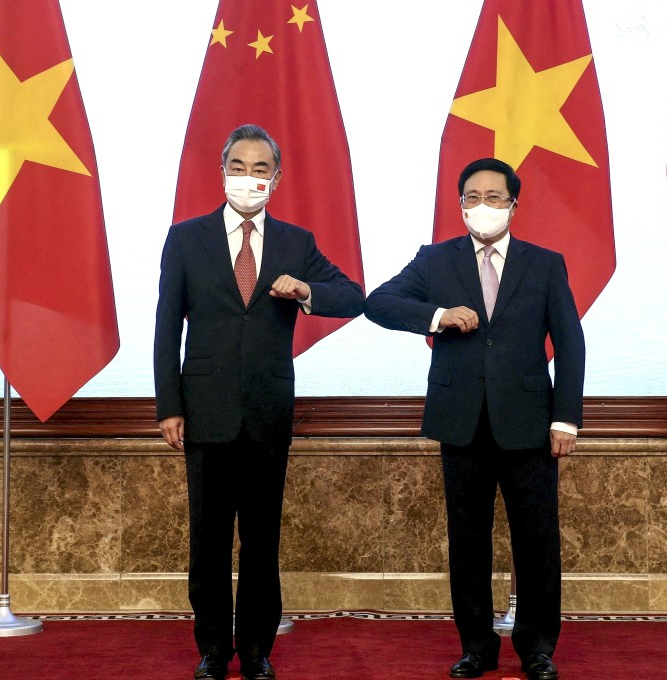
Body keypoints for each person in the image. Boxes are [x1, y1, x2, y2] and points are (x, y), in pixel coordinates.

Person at [154, 124, 364, 680]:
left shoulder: (296, 242)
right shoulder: (186, 238)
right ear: (223, 171)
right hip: (204, 409)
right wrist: (168, 405)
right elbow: (164, 329)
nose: (250, 177)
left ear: (277, 176)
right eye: (240, 166)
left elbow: (353, 296)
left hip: (268, 411)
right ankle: (212, 650)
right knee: (209, 542)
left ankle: (256, 651)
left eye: (261, 168)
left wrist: (306, 291)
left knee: (261, 542)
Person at [364, 158, 585, 680]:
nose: (481, 206)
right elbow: (379, 303)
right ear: (459, 203)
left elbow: (570, 342)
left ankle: (537, 649)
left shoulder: (545, 263)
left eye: (493, 196)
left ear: (514, 203)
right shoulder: (435, 260)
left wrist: (566, 419)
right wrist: (437, 317)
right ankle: (477, 649)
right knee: (468, 540)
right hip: (461, 420)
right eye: (471, 197)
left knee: (537, 540)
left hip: (530, 422)